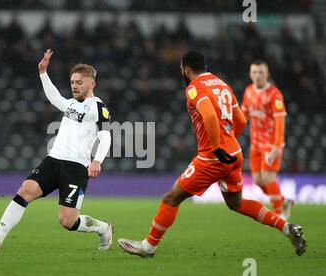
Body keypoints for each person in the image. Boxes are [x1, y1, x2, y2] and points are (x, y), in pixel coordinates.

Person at [118, 50, 307, 258]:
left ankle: (149, 246)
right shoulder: (221, 84)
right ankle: (287, 227)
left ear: (186, 69)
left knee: (171, 198)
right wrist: (227, 141)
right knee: (237, 203)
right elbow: (242, 120)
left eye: (182, 68)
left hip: (212, 158)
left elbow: (208, 114)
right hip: (234, 153)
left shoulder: (194, 88)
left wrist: (217, 147)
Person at [0, 49, 114, 252]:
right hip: (53, 161)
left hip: (76, 168)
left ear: (92, 84)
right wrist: (43, 73)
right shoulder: (71, 104)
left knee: (67, 221)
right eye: (73, 82)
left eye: (79, 82)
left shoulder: (99, 108)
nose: (75, 86)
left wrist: (97, 161)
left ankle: (103, 228)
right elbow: (55, 98)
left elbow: (106, 136)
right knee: (25, 190)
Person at [242, 60, 293, 220]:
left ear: (267, 74)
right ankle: (284, 201)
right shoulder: (248, 91)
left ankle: (279, 214)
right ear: (250, 74)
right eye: (255, 72)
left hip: (271, 144)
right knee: (257, 180)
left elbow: (280, 120)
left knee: (268, 177)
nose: (258, 75)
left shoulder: (274, 94)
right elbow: (243, 116)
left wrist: (278, 145)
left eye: (261, 72)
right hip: (255, 143)